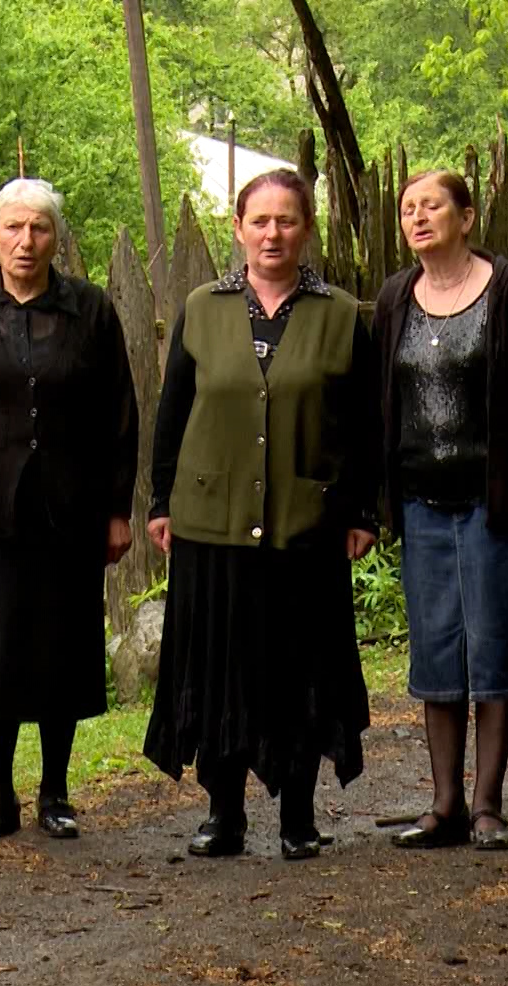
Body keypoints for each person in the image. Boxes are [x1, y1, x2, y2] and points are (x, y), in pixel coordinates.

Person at [143, 170, 380, 861]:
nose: (272, 234)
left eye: (287, 220)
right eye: (260, 221)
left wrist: (363, 511)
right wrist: (161, 501)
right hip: (210, 524)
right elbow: (172, 413)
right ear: (239, 229)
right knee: (219, 667)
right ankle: (224, 813)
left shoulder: (340, 314)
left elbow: (364, 426)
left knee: (299, 667)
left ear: (306, 229)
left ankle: (297, 816)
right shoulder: (203, 307)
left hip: (306, 526)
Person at [374, 171, 508, 851]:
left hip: (498, 507)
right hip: (421, 505)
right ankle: (445, 805)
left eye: (432, 205)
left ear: (466, 216)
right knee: (437, 650)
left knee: (495, 646)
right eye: (408, 209)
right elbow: (378, 397)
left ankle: (488, 805)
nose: (418, 217)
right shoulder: (395, 299)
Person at [0, 178, 138, 841]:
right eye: (13, 228)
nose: (26, 241)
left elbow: (119, 414)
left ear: (56, 238)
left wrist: (117, 510)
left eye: (39, 228)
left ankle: (55, 792)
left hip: (68, 512)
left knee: (60, 649)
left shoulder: (90, 311)